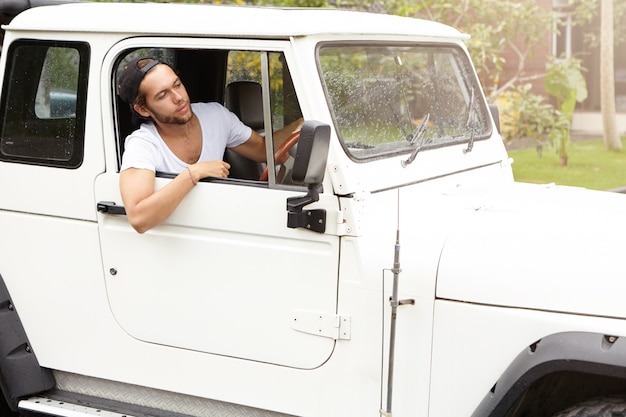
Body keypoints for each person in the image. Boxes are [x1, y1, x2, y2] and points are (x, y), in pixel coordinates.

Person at [117, 57, 302, 234]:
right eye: (163, 95)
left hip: (218, 227)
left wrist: (301, 125)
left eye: (177, 85)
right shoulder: (142, 144)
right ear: (143, 109)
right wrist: (194, 173)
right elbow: (139, 219)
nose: (179, 97)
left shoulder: (216, 115)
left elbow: (263, 150)